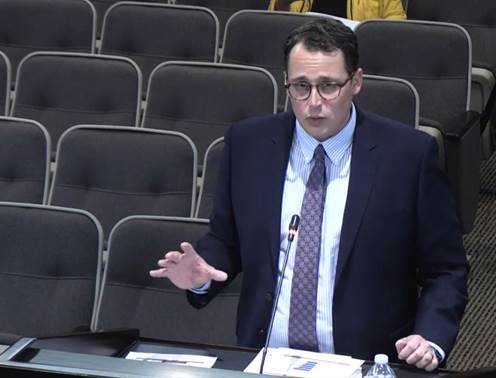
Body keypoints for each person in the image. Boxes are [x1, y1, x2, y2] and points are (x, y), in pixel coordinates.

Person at [150, 18, 468, 372]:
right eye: (301, 86)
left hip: (365, 363)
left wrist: (431, 337)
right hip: (267, 360)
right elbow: (226, 242)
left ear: (356, 82)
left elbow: (446, 270)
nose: (313, 102)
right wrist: (201, 275)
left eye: (328, 86)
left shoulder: (408, 156)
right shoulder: (247, 145)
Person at [268, 0, 406, 21]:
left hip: (356, 58)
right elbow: (274, 25)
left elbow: (394, 30)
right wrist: (283, 4)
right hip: (305, 56)